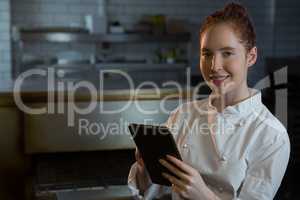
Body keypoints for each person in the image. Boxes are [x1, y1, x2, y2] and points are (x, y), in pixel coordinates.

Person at [128, 2, 290, 200]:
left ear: (251, 56)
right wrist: (145, 170)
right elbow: (154, 192)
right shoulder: (183, 115)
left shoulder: (271, 135)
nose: (214, 66)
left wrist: (203, 195)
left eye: (227, 53)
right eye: (207, 54)